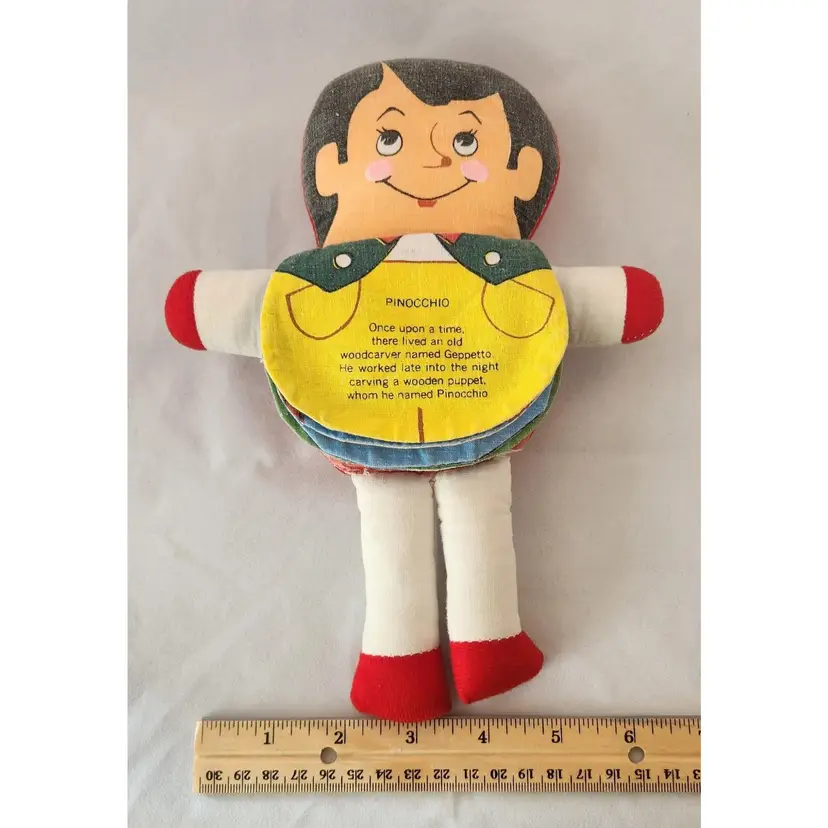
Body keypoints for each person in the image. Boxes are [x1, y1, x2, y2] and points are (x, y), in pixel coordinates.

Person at [165, 59, 664, 721]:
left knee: (433, 522)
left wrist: (202, 305)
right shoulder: (353, 272)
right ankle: (417, 656)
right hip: (448, 406)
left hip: (442, 409)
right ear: (329, 171)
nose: (430, 163)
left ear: (524, 175)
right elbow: (590, 300)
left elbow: (246, 306)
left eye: (466, 142)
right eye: (390, 139)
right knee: (435, 521)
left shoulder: (501, 267)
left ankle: (471, 649)